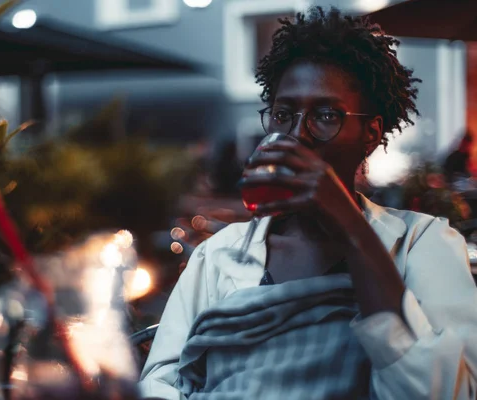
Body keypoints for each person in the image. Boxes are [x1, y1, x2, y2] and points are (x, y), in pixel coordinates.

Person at [139, 7, 477, 399]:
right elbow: (159, 383)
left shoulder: (424, 242)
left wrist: (351, 227)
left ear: (371, 134)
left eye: (326, 115)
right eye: (284, 114)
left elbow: (447, 393)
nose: (297, 134)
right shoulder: (218, 254)